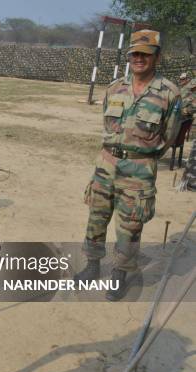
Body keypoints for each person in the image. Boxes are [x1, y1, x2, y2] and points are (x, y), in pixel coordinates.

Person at [74, 30, 182, 301]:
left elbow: (169, 136)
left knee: (130, 226)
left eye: (145, 54)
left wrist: (141, 156)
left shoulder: (169, 93)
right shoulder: (114, 88)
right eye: (134, 53)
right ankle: (93, 265)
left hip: (139, 169)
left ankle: (119, 274)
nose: (138, 58)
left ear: (156, 56)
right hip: (106, 164)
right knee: (96, 218)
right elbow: (107, 126)